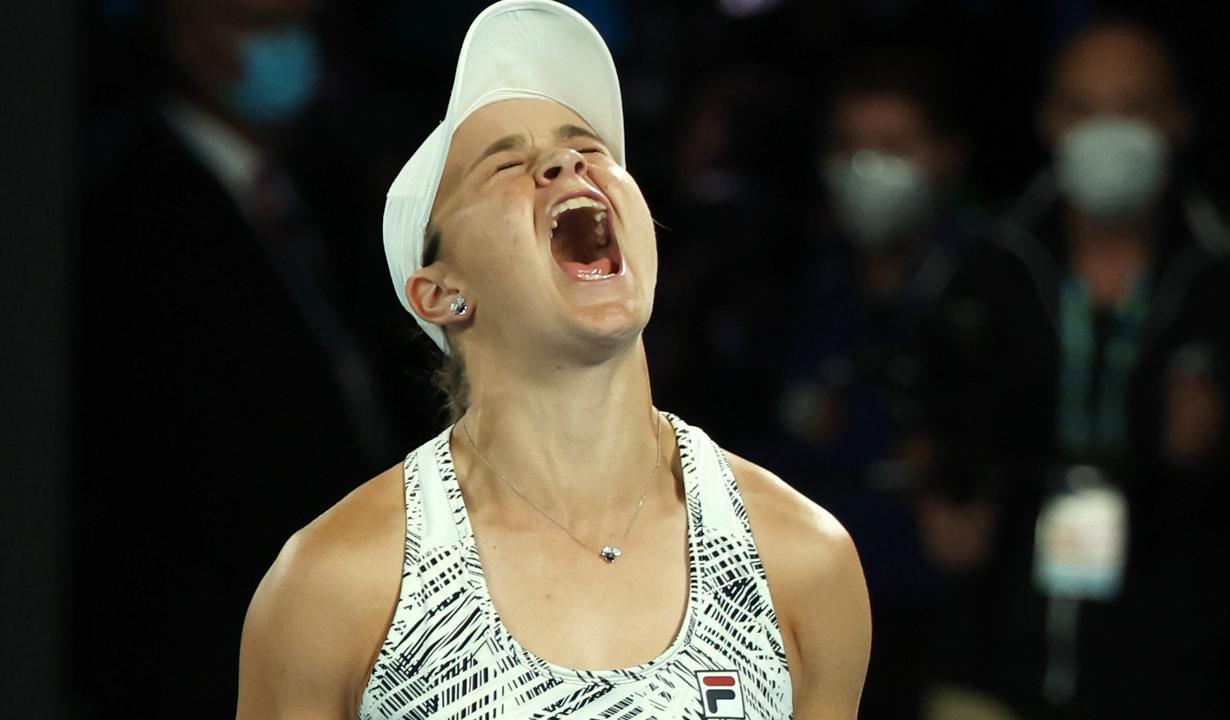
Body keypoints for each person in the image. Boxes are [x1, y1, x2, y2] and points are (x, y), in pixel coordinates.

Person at [234, 2, 871, 719]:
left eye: (591, 150)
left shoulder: (802, 561)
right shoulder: (337, 586)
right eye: (505, 161)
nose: (567, 162)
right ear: (442, 293)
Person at [918, 18, 1230, 719]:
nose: (1106, 134)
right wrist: (938, 485)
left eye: (1133, 109)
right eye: (1083, 109)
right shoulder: (984, 269)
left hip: (1185, 672)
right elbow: (926, 414)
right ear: (1049, 121)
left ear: (1178, 120)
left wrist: (1216, 451)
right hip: (993, 657)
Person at [73, 0, 411, 714]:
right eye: (268, 26)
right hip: (208, 648)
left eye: (302, 24)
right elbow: (197, 450)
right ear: (191, 33)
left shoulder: (314, 192)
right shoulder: (130, 210)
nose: (293, 49)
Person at [771, 48, 977, 720]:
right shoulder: (803, 285)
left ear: (947, 155)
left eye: (894, 145)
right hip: (812, 613)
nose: (869, 169)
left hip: (946, 621)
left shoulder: (989, 285)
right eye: (851, 147)